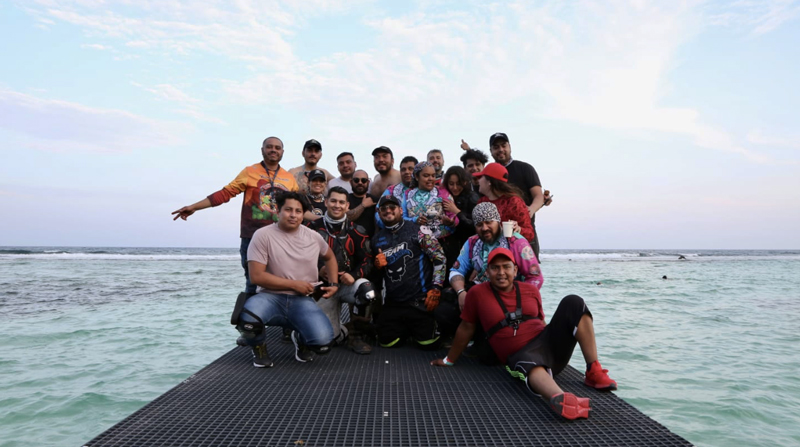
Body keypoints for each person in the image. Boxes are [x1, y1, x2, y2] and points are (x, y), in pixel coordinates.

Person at [431, 247, 618, 420]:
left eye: (506, 267)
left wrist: (552, 342)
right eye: (495, 268)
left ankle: (593, 370)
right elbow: (466, 328)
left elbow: (541, 322)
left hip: (547, 346)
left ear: (515, 270)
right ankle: (560, 398)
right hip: (519, 355)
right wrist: (449, 360)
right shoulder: (477, 293)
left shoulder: (531, 290)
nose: (501, 272)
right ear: (487, 272)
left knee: (574, 302)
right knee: (529, 362)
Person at [172, 136, 298, 295]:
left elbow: (297, 208)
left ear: (283, 152)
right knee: (253, 284)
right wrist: (194, 207)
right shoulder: (250, 172)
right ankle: (249, 311)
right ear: (262, 150)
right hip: (252, 237)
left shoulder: (289, 178)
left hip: (281, 238)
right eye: (269, 147)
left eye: (277, 148)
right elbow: (225, 194)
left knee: (282, 283)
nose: (273, 150)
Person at [236, 192, 340, 368]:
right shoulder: (262, 235)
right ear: (278, 211)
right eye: (288, 210)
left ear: (303, 215)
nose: (293, 215)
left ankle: (300, 338)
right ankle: (259, 347)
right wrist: (294, 284)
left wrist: (334, 284)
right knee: (247, 322)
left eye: (298, 211)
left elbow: (329, 257)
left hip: (301, 300)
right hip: (269, 297)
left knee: (323, 343)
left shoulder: (313, 236)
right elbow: (256, 276)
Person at [308, 186, 376, 355]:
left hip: (348, 284)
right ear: (326, 202)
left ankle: (356, 336)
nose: (337, 205)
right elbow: (299, 257)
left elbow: (368, 260)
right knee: (327, 339)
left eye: (341, 202)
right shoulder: (311, 228)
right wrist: (318, 268)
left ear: (347, 206)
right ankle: (342, 331)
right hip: (323, 287)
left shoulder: (357, 230)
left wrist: (353, 275)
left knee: (367, 291)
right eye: (333, 201)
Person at [373, 195, 445, 349]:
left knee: (429, 345)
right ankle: (405, 329)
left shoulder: (419, 230)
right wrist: (376, 265)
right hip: (394, 302)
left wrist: (436, 288)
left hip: (419, 301)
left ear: (400, 210)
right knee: (387, 343)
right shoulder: (376, 239)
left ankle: (417, 327)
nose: (388, 211)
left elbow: (439, 258)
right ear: (379, 213)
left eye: (392, 207)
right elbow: (376, 277)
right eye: (383, 208)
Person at [449, 202, 543, 308]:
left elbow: (535, 277)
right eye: (479, 224)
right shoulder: (472, 242)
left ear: (498, 221)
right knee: (445, 308)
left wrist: (519, 301)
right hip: (480, 295)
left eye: (489, 222)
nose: (484, 228)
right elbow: (456, 271)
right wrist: (461, 292)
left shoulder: (516, 241)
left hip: (510, 297)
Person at [489, 132, 547, 260]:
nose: (500, 150)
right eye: (496, 147)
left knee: (529, 269)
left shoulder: (525, 168)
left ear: (509, 146)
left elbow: (538, 196)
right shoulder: (489, 174)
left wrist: (531, 209)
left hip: (525, 233)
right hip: (496, 237)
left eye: (503, 145)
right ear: (491, 151)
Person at [474, 163, 535, 243]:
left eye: (481, 177)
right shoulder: (482, 202)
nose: (478, 180)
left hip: (509, 249)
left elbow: (530, 234)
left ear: (489, 181)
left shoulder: (514, 202)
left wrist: (518, 229)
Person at [402, 161, 458, 240]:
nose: (430, 179)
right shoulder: (408, 194)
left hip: (442, 241)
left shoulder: (442, 192)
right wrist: (414, 220)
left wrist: (451, 222)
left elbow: (454, 216)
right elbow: (402, 218)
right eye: (426, 176)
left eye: (433, 175)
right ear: (416, 176)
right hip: (415, 241)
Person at [442, 165, 480, 251]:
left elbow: (475, 225)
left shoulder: (472, 197)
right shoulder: (444, 197)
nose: (455, 188)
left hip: (469, 245)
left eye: (458, 184)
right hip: (451, 245)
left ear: (465, 182)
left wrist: (457, 212)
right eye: (451, 184)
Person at [376, 156, 418, 229]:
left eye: (410, 169)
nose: (407, 172)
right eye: (403, 169)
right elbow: (378, 212)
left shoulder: (426, 189)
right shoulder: (391, 190)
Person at [347, 170, 377, 236]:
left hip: (370, 240)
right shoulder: (345, 199)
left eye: (363, 180)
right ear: (351, 182)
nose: (360, 183)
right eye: (356, 180)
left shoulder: (375, 200)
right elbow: (346, 218)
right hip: (348, 240)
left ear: (368, 182)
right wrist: (363, 205)